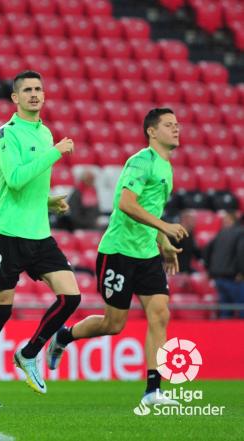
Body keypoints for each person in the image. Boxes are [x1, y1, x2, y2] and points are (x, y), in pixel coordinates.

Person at [47, 108, 188, 407]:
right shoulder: (141, 161)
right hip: (119, 252)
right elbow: (126, 203)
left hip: (147, 253)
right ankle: (64, 336)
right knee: (114, 324)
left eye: (177, 124)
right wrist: (164, 228)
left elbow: (153, 211)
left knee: (160, 314)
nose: (176, 129)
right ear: (151, 131)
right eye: (168, 124)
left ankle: (153, 390)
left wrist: (162, 242)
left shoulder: (167, 168)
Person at [0, 71, 80, 407]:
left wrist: (49, 200)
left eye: (38, 89)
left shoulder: (45, 133)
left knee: (71, 297)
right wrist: (56, 153)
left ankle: (29, 352)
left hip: (39, 233)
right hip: (6, 232)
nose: (34, 94)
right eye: (27, 90)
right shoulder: (7, 133)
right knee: (0, 311)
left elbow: (32, 186)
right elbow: (15, 180)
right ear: (15, 98)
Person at [204, 211, 244, 318]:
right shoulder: (241, 232)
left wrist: (209, 269)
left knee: (225, 312)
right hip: (234, 278)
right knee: (241, 309)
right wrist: (242, 272)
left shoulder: (220, 233)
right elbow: (241, 253)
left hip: (218, 277)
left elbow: (207, 250)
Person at [170, 209, 200, 274]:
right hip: (174, 270)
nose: (194, 222)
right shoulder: (175, 233)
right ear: (185, 219)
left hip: (186, 270)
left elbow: (197, 253)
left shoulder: (190, 235)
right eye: (192, 220)